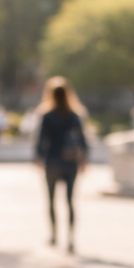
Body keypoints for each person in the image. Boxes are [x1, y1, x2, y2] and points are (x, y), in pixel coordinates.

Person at [33, 76, 88, 253]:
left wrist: (38, 157)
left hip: (52, 161)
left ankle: (54, 234)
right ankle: (71, 238)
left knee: (51, 200)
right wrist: (84, 159)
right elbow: (82, 140)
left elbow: (42, 140)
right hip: (70, 162)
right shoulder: (75, 115)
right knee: (70, 201)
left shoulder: (47, 115)